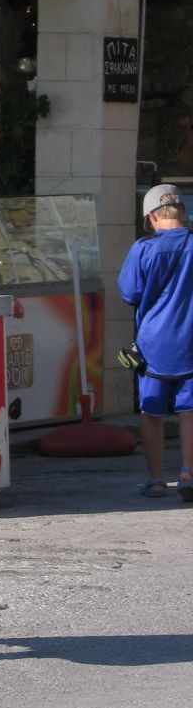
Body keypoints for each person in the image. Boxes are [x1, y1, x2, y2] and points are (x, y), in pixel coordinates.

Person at [118, 183, 193, 500]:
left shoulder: (144, 248)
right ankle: (188, 471)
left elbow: (129, 293)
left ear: (150, 216)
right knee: (190, 410)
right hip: (190, 342)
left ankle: (156, 479)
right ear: (183, 213)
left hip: (153, 345)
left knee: (152, 413)